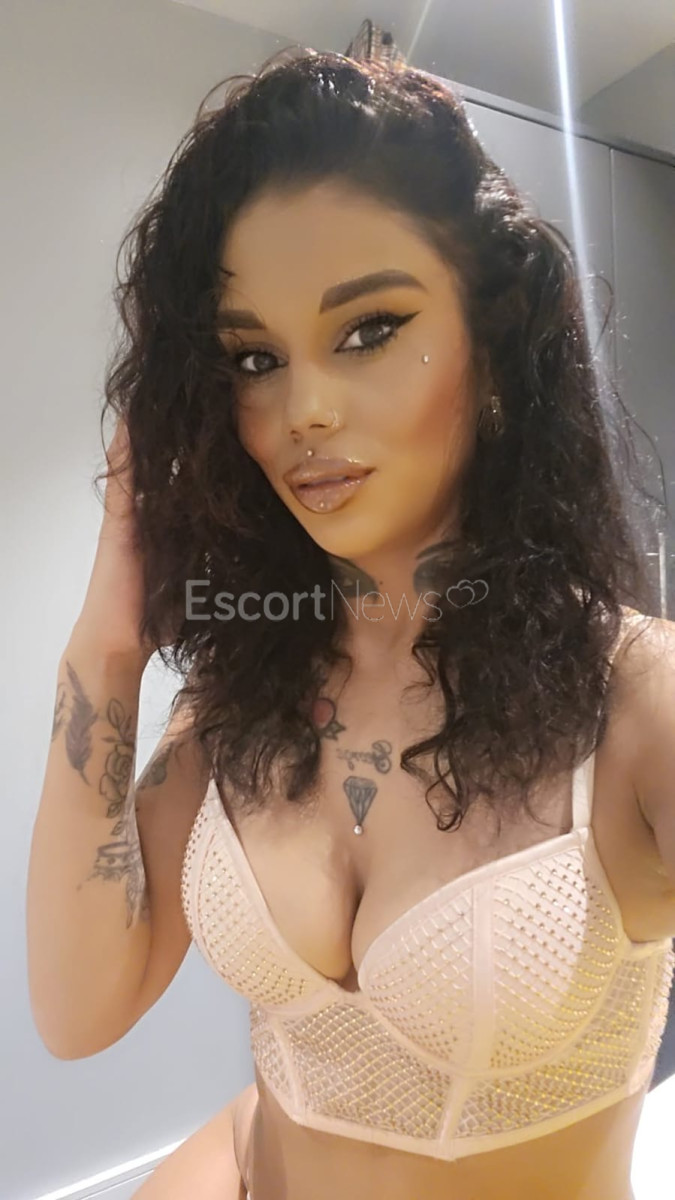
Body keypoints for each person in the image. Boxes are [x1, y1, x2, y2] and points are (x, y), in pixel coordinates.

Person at [26, 46, 675, 1200]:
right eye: (255, 358)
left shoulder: (634, 702)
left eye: (369, 329)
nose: (304, 410)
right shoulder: (245, 690)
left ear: (495, 338)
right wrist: (107, 651)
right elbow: (79, 1012)